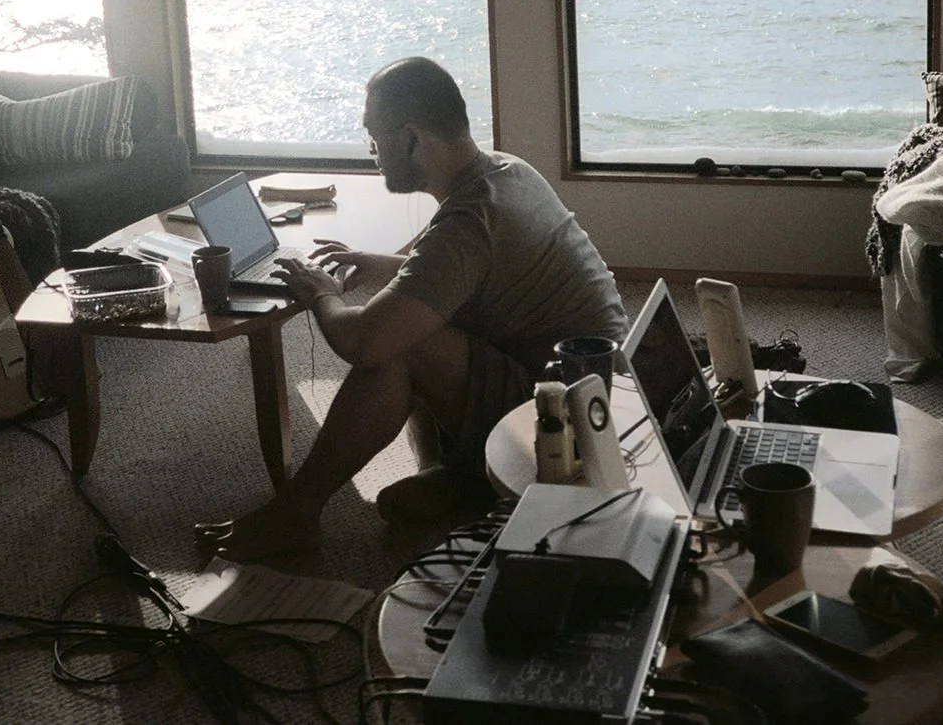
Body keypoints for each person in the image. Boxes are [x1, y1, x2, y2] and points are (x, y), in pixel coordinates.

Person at [194, 58, 626, 561]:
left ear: (413, 139)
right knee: (418, 310)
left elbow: (364, 342)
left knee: (401, 345)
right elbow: (448, 269)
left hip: (562, 417)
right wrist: (376, 264)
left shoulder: (469, 222)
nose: (372, 153)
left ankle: (297, 512)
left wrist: (321, 295)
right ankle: (458, 477)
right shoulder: (505, 171)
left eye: (374, 139)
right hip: (597, 386)